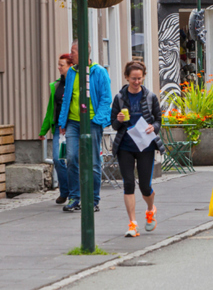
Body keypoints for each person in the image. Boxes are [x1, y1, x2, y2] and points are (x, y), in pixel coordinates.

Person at [110, 61, 166, 237]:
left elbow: (158, 120)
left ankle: (150, 209)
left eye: (139, 79)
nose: (136, 82)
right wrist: (119, 119)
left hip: (145, 146)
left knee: (144, 186)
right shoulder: (119, 98)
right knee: (128, 183)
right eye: (133, 79)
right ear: (127, 77)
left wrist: (153, 127)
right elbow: (113, 125)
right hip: (125, 146)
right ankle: (132, 223)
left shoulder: (150, 97)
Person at [58, 41, 112, 213]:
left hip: (92, 122)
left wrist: (98, 120)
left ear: (82, 53)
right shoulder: (72, 73)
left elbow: (106, 99)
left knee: (94, 162)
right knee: (72, 158)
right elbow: (67, 98)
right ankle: (75, 197)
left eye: (73, 51)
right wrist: (62, 121)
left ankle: (93, 199)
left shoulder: (99, 72)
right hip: (73, 122)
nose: (70, 54)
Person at [39, 53, 72, 205]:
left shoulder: (77, 83)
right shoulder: (57, 85)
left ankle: (75, 193)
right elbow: (50, 110)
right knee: (58, 160)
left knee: (73, 160)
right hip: (60, 128)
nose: (58, 67)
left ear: (70, 66)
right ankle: (65, 191)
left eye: (61, 65)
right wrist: (43, 130)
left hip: (74, 126)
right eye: (59, 65)